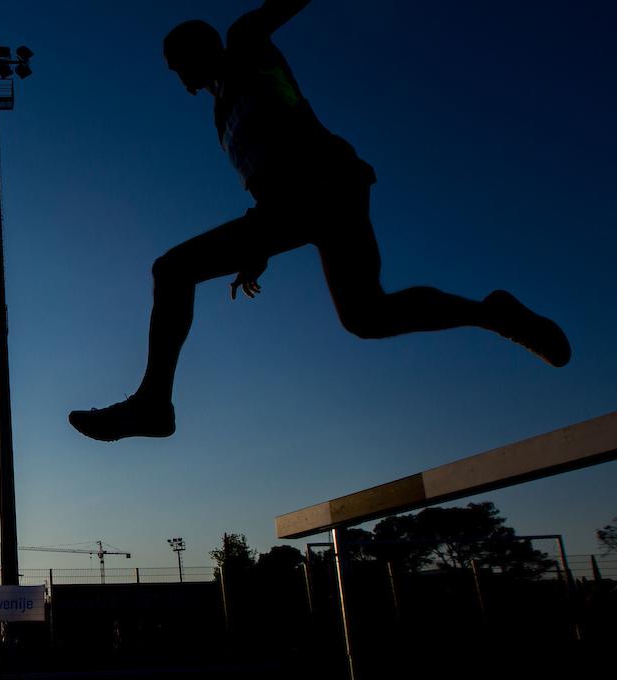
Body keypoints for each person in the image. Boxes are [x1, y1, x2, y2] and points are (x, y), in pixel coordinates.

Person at [69, 0, 570, 442]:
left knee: (173, 270)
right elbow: (267, 177)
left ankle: (155, 403)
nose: (179, 79)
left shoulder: (247, 43)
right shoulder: (221, 115)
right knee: (366, 316)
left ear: (199, 49)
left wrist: (260, 238)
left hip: (327, 185)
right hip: (301, 205)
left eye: (178, 64)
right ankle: (495, 313)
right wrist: (257, 248)